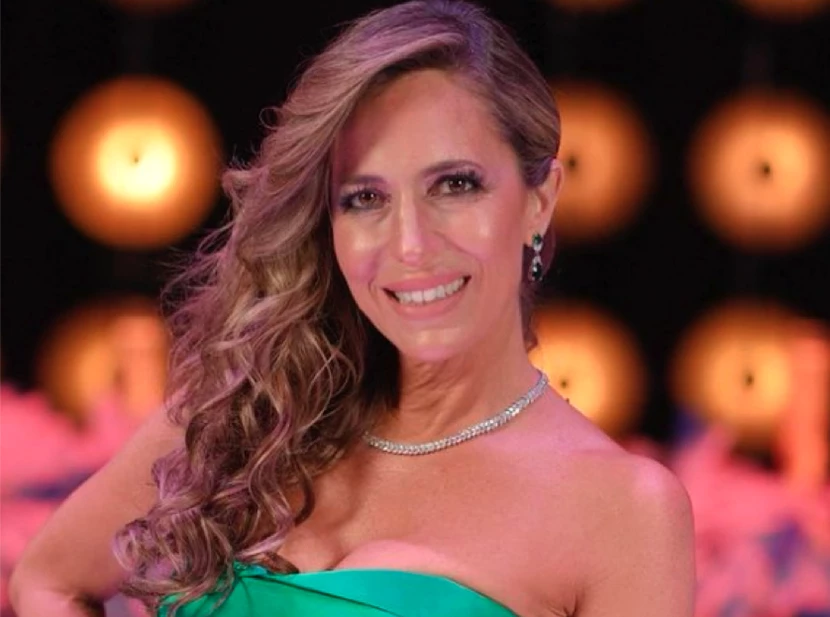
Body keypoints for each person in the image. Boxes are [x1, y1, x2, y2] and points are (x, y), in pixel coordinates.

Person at [9, 1, 695, 615]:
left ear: (540, 200)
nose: (411, 245)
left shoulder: (622, 511)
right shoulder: (243, 417)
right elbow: (48, 580)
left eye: (455, 185)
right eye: (365, 198)